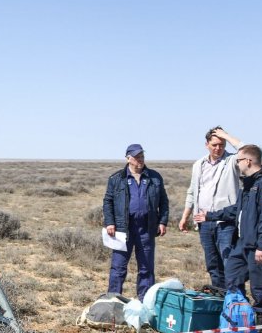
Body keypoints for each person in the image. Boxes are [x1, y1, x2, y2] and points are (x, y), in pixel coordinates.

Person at [196, 145, 262, 322]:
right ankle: (239, 310)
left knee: (260, 283)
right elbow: (236, 210)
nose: (236, 164)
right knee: (233, 274)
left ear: (248, 161)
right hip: (243, 242)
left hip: (258, 245)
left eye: (238, 161)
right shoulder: (250, 184)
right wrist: (210, 216)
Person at [178, 126, 243, 288]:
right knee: (213, 265)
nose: (218, 148)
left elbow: (247, 151)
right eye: (214, 144)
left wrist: (227, 136)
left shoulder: (232, 161)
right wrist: (185, 216)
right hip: (204, 222)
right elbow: (192, 191)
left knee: (230, 263)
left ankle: (235, 301)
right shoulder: (199, 165)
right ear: (207, 144)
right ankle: (219, 300)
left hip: (226, 222)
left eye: (222, 144)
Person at [103, 144, 169, 300]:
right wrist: (110, 222)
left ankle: (145, 301)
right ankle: (113, 300)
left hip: (146, 228)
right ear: (128, 158)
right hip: (122, 229)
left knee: (146, 267)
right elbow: (108, 201)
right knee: (118, 267)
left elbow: (163, 201)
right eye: (137, 157)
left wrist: (163, 221)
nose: (140, 160)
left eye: (142, 156)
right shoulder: (117, 178)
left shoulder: (154, 177)